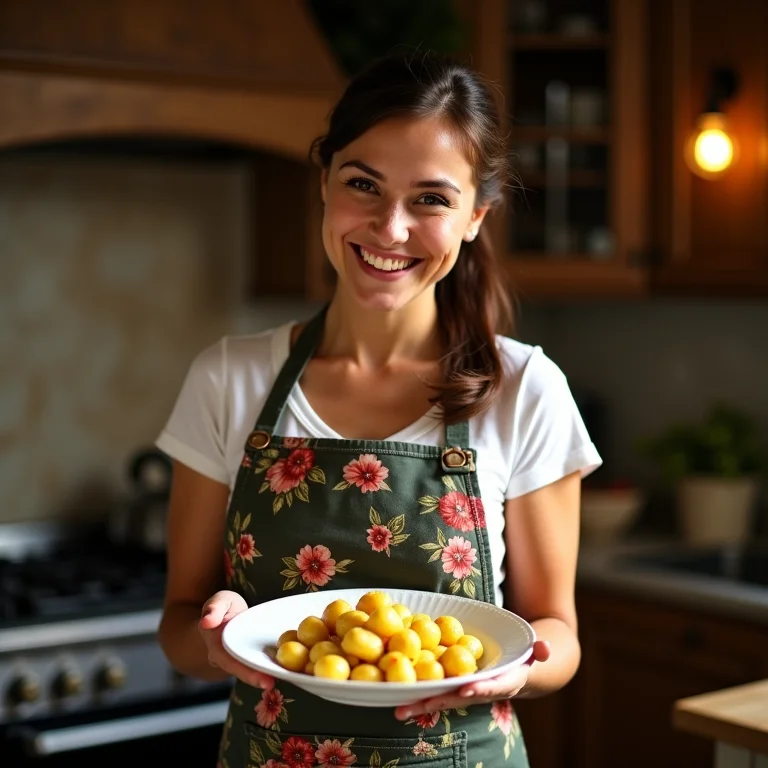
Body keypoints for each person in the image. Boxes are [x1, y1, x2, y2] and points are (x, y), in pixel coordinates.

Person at [156, 50, 602, 768]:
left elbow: (560, 634)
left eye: (431, 200)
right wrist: (213, 638)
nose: (390, 229)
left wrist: (521, 668)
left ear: (475, 217)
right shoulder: (229, 378)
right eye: (363, 184)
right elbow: (179, 624)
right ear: (324, 183)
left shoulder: (524, 387)